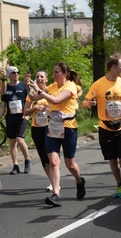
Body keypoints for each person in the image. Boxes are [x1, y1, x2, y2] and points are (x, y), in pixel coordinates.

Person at [26, 61, 86, 206]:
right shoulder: (51, 86)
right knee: (53, 161)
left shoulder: (70, 86)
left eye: (57, 72)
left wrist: (40, 91)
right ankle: (56, 194)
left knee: (69, 164)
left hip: (68, 127)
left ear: (65, 74)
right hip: (52, 127)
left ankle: (79, 180)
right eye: (53, 72)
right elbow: (34, 98)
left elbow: (56, 99)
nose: (54, 75)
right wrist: (29, 86)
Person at [82, 53, 121, 198]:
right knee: (112, 159)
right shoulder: (98, 84)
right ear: (113, 67)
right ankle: (119, 184)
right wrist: (89, 103)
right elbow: (84, 103)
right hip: (105, 126)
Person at [0, 66, 32, 175]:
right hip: (11, 118)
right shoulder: (6, 88)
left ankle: (27, 160)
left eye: (17, 72)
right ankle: (15, 165)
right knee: (12, 142)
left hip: (22, 117)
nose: (16, 74)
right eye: (13, 73)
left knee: (20, 140)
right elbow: (3, 106)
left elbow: (31, 98)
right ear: (9, 75)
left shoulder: (23, 86)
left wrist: (27, 113)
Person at [24, 69, 53, 191]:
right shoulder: (31, 94)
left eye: (42, 76)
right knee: (43, 157)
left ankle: (55, 182)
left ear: (46, 79)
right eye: (37, 77)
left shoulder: (51, 90)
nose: (40, 79)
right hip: (37, 128)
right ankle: (52, 181)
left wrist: (47, 108)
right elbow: (25, 111)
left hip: (49, 127)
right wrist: (35, 108)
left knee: (49, 155)